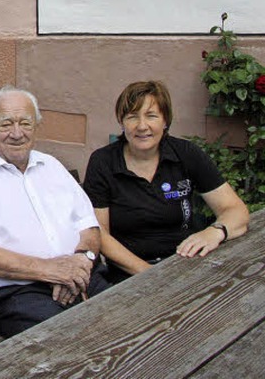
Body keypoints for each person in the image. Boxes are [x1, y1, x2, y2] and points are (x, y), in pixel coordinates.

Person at [0, 86, 109, 338]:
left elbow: (88, 226)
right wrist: (52, 271)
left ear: (36, 127)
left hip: (82, 275)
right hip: (21, 294)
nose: (17, 133)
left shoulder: (51, 166)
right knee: (73, 341)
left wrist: (80, 261)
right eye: (6, 124)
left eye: (25, 123)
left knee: (127, 324)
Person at [83, 80, 250, 284]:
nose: (142, 126)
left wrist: (215, 232)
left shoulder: (186, 154)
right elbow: (99, 233)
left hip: (186, 264)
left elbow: (236, 210)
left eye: (151, 116)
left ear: (165, 121)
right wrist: (150, 274)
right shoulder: (103, 162)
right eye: (132, 116)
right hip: (130, 275)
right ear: (122, 121)